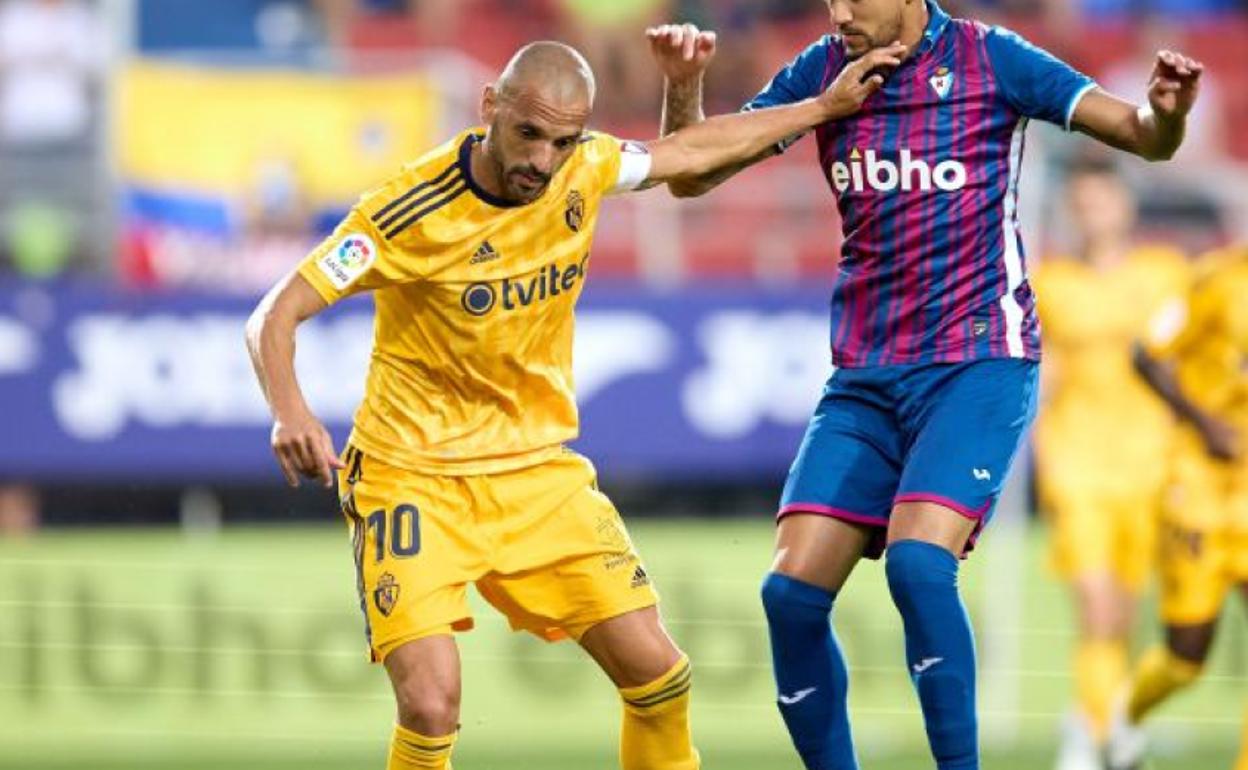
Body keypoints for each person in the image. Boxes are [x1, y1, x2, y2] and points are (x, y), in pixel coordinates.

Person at [245, 39, 899, 770]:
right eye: (530, 134)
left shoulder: (586, 165)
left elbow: (688, 155)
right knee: (431, 702)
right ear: (491, 105)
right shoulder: (407, 211)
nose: (544, 160)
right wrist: (290, 410)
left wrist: (823, 106)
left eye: (562, 140)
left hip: (535, 474)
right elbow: (274, 313)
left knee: (660, 675)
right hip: (413, 477)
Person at [647, 1, 1203, 767]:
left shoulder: (994, 60)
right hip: (867, 375)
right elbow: (688, 178)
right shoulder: (822, 69)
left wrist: (1166, 114)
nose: (838, 11)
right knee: (789, 597)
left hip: (977, 363)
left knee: (917, 564)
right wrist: (687, 88)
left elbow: (1143, 135)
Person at [1030, 156, 1189, 770]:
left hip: (1151, 464)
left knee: (1125, 613)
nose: (1093, 212)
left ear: (1125, 206)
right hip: (1079, 463)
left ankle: (1091, 721)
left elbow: (1184, 370)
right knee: (1096, 604)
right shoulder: (1053, 284)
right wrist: (1039, 453)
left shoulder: (1165, 274)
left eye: (1102, 200)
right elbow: (1043, 378)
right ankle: (1106, 743)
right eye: (1083, 203)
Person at [1108, 245, 1248, 770]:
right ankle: (1128, 711)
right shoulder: (1217, 278)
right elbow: (1145, 353)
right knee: (1186, 657)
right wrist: (1204, 423)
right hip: (1200, 488)